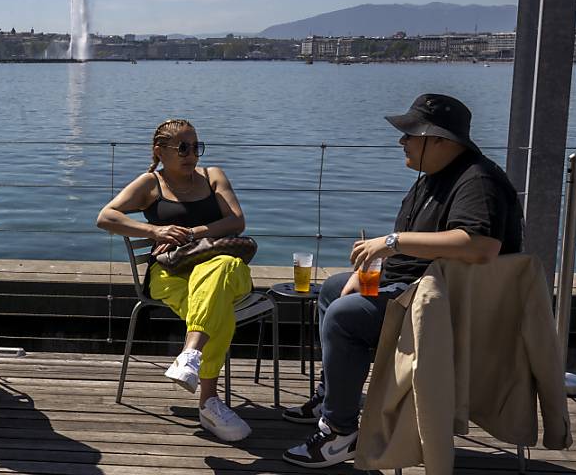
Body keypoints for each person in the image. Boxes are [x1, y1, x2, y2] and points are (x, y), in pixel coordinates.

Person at [282, 94, 524, 468]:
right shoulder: (435, 177)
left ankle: (340, 431)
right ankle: (333, 395)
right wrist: (371, 268)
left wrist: (390, 243)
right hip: (416, 289)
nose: (402, 142)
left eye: (410, 134)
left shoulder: (477, 181)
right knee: (333, 288)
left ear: (440, 140)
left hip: (445, 309)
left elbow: (481, 245)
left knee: (345, 317)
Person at [96, 118, 254, 442]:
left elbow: (236, 220)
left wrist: (191, 234)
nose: (191, 154)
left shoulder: (213, 177)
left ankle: (191, 354)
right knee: (216, 306)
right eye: (183, 147)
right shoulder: (150, 184)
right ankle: (208, 402)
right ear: (160, 151)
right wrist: (154, 230)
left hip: (227, 269)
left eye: (196, 146)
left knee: (219, 268)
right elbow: (106, 216)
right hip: (169, 275)